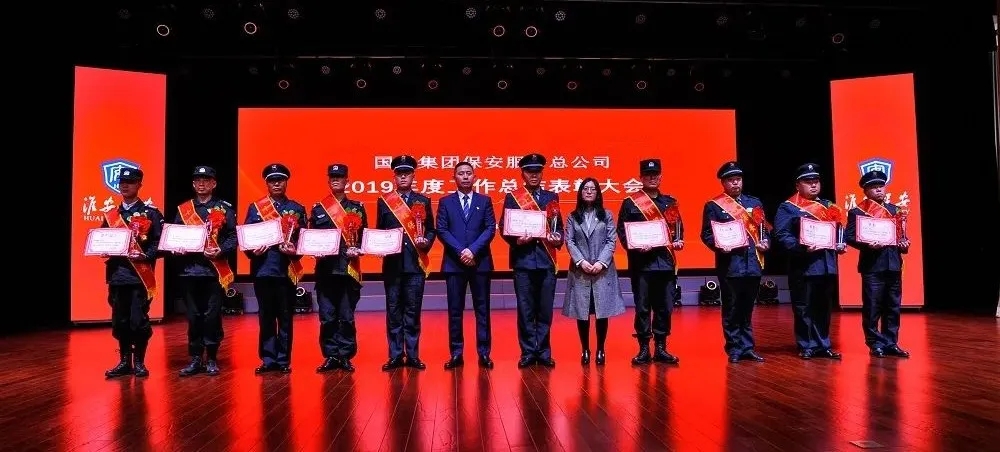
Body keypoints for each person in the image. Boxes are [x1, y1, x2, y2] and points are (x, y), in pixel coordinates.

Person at [773, 163, 845, 360]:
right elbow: (781, 235)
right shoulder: (788, 207)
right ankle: (807, 345)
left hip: (826, 265)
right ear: (798, 185)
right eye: (808, 182)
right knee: (803, 307)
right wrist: (801, 247)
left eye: (816, 181)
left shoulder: (829, 206)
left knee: (824, 308)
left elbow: (839, 231)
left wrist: (840, 243)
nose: (813, 185)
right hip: (803, 265)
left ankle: (823, 345)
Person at [700, 162, 770, 363]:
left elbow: (763, 229)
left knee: (747, 309)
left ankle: (747, 347)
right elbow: (707, 234)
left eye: (738, 179)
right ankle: (734, 348)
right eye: (731, 180)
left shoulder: (754, 202)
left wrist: (766, 242)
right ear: (723, 183)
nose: (735, 183)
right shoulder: (714, 205)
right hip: (731, 264)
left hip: (753, 263)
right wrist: (719, 245)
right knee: (731, 308)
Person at [172, 165, 238, 376]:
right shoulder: (184, 209)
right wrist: (176, 248)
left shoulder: (224, 208)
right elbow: (175, 235)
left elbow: (233, 237)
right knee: (193, 316)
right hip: (189, 271)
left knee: (211, 316)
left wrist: (221, 250)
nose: (201, 184)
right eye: (198, 180)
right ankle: (195, 358)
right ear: (193, 184)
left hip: (213, 272)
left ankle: (211, 358)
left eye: (206, 180)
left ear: (213, 183)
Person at [500, 153, 564, 368]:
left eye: (537, 171)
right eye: (530, 171)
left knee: (545, 309)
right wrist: (517, 240)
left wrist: (557, 238)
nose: (534, 175)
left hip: (546, 261)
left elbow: (558, 227)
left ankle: (544, 352)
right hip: (523, 261)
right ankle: (528, 352)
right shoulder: (513, 197)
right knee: (526, 309)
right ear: (522, 174)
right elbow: (504, 226)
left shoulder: (551, 197)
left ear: (542, 173)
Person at [617, 159, 683, 365]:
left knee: (665, 307)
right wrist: (635, 246)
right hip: (642, 264)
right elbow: (622, 231)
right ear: (641, 178)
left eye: (655, 175)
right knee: (643, 307)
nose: (652, 178)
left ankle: (661, 347)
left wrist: (678, 240)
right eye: (647, 175)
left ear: (660, 177)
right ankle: (644, 348)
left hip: (665, 263)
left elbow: (678, 228)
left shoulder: (670, 202)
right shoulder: (631, 203)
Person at [101, 168, 164, 378]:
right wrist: (102, 248)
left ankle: (139, 362)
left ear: (139, 185)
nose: (125, 185)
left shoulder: (151, 213)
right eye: (122, 182)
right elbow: (102, 238)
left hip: (139, 278)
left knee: (138, 321)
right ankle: (124, 361)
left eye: (130, 182)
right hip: (117, 277)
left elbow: (161, 243)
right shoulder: (112, 215)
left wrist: (145, 255)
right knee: (120, 321)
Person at [244, 163, 306, 374]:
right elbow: (247, 238)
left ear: (286, 182)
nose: (276, 183)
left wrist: (294, 250)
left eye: (280, 179)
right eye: (272, 180)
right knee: (266, 316)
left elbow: (303, 240)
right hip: (262, 269)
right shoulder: (255, 208)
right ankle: (268, 359)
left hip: (286, 270)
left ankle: (283, 360)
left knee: (286, 317)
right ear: (267, 183)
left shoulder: (297, 209)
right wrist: (253, 251)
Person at [376, 155, 436, 371]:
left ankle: (412, 355)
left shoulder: (423, 201)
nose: (403, 177)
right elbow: (380, 231)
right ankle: (394, 355)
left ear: (413, 176)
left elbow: (431, 229)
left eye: (407, 173)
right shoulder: (384, 201)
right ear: (394, 176)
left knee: (412, 311)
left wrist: (426, 241)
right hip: (392, 266)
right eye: (399, 174)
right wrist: (378, 245)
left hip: (415, 265)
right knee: (393, 311)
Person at [436, 161, 498, 370]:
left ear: (474, 177)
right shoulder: (445, 202)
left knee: (483, 310)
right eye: (461, 173)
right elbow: (442, 229)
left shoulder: (485, 201)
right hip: (454, 264)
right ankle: (456, 353)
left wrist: (472, 250)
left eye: (468, 173)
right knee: (455, 311)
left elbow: (490, 229)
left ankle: (484, 353)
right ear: (454, 177)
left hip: (480, 262)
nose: (465, 176)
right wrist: (461, 251)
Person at [844, 170, 911, 358]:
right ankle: (875, 343)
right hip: (872, 266)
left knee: (893, 307)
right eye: (874, 187)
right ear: (865, 191)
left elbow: (902, 237)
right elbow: (849, 236)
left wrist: (904, 244)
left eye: (881, 186)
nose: (879, 189)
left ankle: (891, 343)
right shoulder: (858, 212)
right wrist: (867, 244)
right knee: (872, 307)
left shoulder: (895, 210)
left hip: (893, 265)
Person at [310, 163, 367, 373]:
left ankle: (345, 355)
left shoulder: (357, 208)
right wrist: (314, 250)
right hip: (325, 271)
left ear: (347, 181)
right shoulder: (318, 209)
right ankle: (331, 355)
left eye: (340, 177)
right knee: (327, 317)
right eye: (332, 177)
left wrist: (358, 249)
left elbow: (364, 237)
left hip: (348, 270)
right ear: (328, 181)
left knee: (346, 317)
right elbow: (311, 237)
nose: (336, 180)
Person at [562, 177, 626, 366]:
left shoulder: (606, 215)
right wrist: (581, 261)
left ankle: (600, 349)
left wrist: (601, 262)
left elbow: (611, 240)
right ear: (580, 192)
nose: (589, 191)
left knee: (601, 312)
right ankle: (585, 349)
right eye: (585, 188)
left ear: (598, 193)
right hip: (580, 270)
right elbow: (569, 241)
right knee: (582, 312)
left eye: (593, 189)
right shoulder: (573, 216)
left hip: (602, 271)